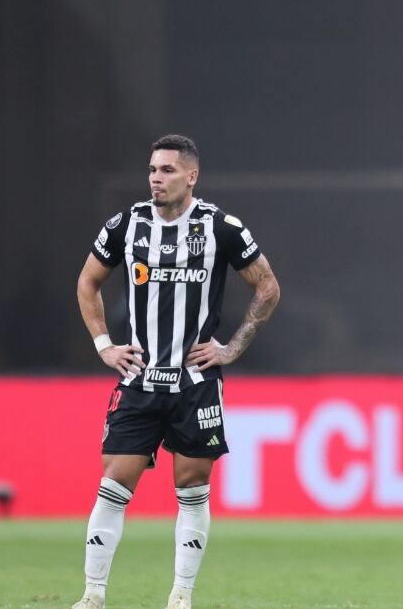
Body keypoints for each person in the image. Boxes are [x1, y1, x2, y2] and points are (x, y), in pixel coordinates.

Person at [72, 135, 281, 609]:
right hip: (139, 379)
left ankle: (181, 595)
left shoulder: (221, 228)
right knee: (113, 484)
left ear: (191, 176)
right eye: (152, 169)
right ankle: (93, 595)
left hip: (196, 385)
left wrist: (232, 347)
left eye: (167, 170)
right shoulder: (126, 225)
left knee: (192, 489)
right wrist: (104, 345)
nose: (155, 178)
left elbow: (268, 287)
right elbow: (87, 282)